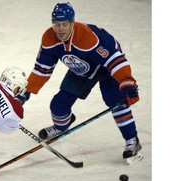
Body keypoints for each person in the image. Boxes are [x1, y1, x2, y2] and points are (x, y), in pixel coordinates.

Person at [19, 2, 142, 163]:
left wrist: (127, 82)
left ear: (72, 23)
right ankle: (61, 127)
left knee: (116, 100)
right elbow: (42, 69)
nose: (60, 29)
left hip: (107, 67)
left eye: (64, 24)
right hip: (83, 68)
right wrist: (26, 92)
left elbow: (115, 60)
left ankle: (132, 140)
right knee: (58, 105)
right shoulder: (49, 38)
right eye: (56, 24)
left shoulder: (88, 38)